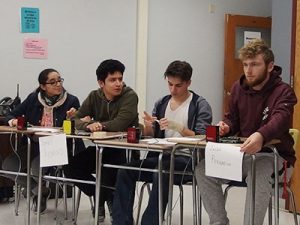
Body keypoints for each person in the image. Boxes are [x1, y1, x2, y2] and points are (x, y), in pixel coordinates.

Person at [195, 39, 297, 225]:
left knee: (258, 172)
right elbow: (232, 119)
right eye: (245, 65)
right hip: (242, 156)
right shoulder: (237, 88)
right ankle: (219, 222)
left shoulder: (284, 92)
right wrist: (226, 126)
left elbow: (280, 121)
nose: (249, 70)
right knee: (203, 170)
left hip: (275, 157)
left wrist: (261, 135)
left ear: (270, 66)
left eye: (255, 65)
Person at [112, 60, 213, 225]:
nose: (173, 89)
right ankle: (121, 222)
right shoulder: (162, 102)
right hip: (160, 155)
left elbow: (202, 138)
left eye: (178, 85)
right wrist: (148, 126)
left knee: (162, 170)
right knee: (125, 170)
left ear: (188, 83)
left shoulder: (200, 105)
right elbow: (152, 135)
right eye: (170, 84)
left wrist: (180, 127)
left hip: (186, 159)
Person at [63, 59, 139, 223]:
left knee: (105, 170)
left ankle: (104, 198)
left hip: (124, 150)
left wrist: (97, 125)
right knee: (70, 167)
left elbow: (120, 123)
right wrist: (90, 124)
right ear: (101, 83)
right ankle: (102, 195)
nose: (118, 83)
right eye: (113, 80)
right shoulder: (94, 96)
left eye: (120, 79)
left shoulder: (130, 96)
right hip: (101, 149)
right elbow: (74, 119)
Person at [1, 68, 84, 213]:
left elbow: (81, 124)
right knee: (8, 166)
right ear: (43, 86)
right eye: (53, 82)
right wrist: (13, 121)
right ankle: (39, 191)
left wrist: (74, 118)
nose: (58, 84)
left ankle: (38, 194)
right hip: (33, 144)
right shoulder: (33, 98)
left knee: (35, 168)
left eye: (59, 80)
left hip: (57, 146)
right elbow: (11, 114)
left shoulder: (71, 100)